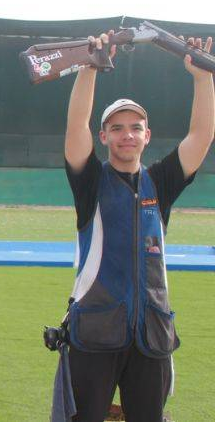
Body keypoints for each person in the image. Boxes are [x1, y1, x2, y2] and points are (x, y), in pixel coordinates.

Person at [62, 32, 214, 421]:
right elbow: (76, 125)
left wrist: (202, 77)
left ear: (147, 136)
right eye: (116, 127)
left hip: (152, 334)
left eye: (135, 127)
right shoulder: (90, 181)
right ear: (104, 136)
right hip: (94, 332)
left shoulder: (160, 182)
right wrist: (90, 69)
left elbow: (201, 136)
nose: (126, 134)